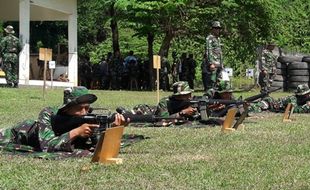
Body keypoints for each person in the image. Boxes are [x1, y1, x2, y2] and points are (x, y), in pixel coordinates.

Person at [0, 86, 128, 158]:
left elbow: (98, 146)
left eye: (87, 108)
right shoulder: (49, 114)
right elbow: (47, 146)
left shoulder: (87, 118)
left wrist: (113, 129)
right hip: (11, 136)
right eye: (79, 108)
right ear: (67, 108)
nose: (84, 112)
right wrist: (76, 132)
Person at [202, 21, 223, 91]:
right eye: (216, 28)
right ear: (212, 29)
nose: (218, 30)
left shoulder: (218, 39)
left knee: (219, 83)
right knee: (212, 82)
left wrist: (221, 64)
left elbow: (219, 52)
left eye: (219, 28)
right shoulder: (209, 38)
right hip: (213, 64)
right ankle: (209, 97)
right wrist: (211, 63)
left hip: (219, 64)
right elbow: (208, 51)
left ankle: (217, 98)